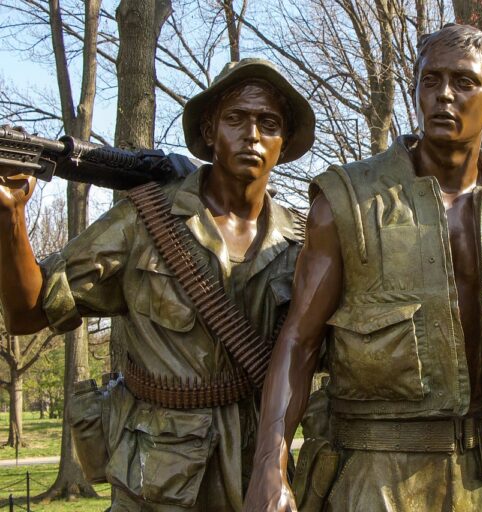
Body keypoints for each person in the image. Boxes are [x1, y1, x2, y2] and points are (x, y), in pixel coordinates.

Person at [245, 24, 482, 512]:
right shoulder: (348, 200)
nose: (444, 95)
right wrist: (269, 468)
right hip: (377, 473)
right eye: (431, 80)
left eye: (464, 82)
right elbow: (299, 339)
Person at [0, 58, 315, 511]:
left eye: (268, 124)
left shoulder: (303, 242)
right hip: (158, 475)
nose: (252, 135)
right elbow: (28, 313)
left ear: (283, 145)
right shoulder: (146, 219)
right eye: (236, 119)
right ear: (209, 132)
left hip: (260, 467)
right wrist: (11, 217)